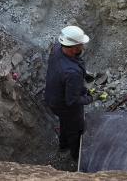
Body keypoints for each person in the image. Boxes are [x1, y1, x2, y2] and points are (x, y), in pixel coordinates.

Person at [45, 25, 93, 160]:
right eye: (81, 45)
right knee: (75, 130)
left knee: (64, 121)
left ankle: (63, 145)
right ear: (73, 48)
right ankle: (77, 156)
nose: (83, 48)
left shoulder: (57, 49)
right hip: (65, 106)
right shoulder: (72, 72)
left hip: (53, 97)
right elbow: (72, 101)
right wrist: (89, 98)